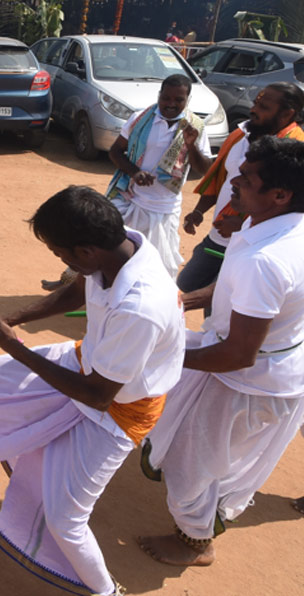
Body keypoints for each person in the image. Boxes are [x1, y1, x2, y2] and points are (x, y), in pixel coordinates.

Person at [0, 186, 184, 596]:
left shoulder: (140, 307)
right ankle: (25, 453)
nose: (60, 260)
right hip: (88, 366)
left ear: (86, 250)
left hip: (116, 409)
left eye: (61, 252)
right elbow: (81, 289)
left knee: (65, 521)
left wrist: (15, 346)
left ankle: (106, 592)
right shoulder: (118, 245)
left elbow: (98, 396)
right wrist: (15, 318)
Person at [138, 137, 304, 568]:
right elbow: (235, 288)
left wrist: (165, 353)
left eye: (246, 178)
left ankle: (196, 542)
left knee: (197, 463)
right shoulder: (267, 225)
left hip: (247, 379)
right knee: (162, 414)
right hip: (240, 357)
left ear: (279, 194)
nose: (234, 182)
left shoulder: (267, 259)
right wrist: (184, 301)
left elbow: (239, 354)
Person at [177, 83, 304, 294]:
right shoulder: (241, 134)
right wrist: (199, 210)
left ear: (286, 114)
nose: (254, 109)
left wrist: (244, 225)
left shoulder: (294, 151)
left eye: (264, 107)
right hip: (218, 238)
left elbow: (293, 206)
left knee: (221, 305)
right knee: (186, 284)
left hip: (253, 246)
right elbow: (219, 177)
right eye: (256, 103)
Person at [104, 74, 211, 278]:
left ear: (187, 101)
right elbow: (115, 152)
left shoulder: (195, 126)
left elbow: (204, 168)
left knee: (158, 267)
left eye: (178, 100)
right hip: (132, 199)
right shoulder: (140, 118)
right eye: (166, 98)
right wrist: (135, 173)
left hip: (165, 208)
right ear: (159, 95)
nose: (171, 104)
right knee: (112, 251)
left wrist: (191, 145)